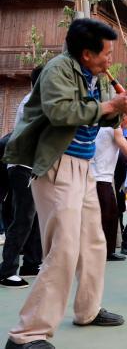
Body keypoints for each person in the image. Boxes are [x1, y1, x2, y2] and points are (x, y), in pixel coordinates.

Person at [3, 19, 127, 347]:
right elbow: (61, 112)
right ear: (86, 54)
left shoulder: (91, 76)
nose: (110, 59)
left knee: (94, 242)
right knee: (63, 249)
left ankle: (88, 309)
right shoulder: (58, 70)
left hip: (83, 167)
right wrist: (111, 105)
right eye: (106, 53)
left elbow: (96, 115)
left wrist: (120, 110)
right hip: (58, 165)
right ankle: (27, 334)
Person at [0, 66, 44, 289]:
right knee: (23, 219)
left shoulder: (38, 99)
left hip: (31, 167)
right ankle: (7, 271)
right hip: (22, 166)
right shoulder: (33, 101)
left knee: (33, 218)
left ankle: (31, 263)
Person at [91, 118, 127, 262]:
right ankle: (104, 252)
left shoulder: (109, 126)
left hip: (103, 177)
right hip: (100, 178)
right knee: (107, 216)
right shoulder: (114, 127)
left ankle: (108, 251)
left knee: (111, 216)